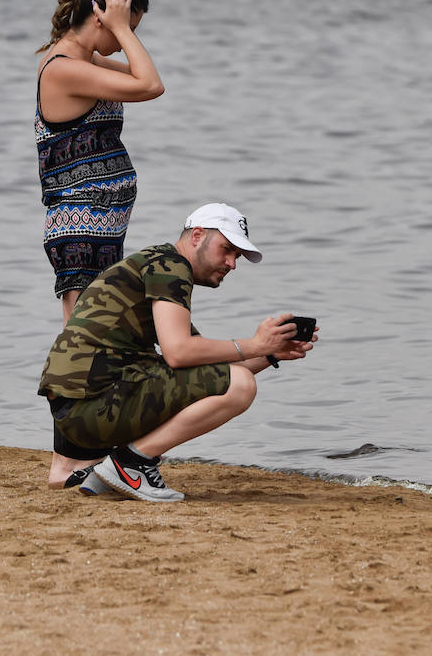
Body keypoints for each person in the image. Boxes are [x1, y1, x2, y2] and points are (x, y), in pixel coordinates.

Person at [38, 203, 318, 500]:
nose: (232, 263)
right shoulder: (171, 266)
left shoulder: (154, 263)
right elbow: (180, 354)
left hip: (73, 411)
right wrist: (255, 344)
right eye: (226, 249)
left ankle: (94, 468)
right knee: (243, 386)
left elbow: (206, 373)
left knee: (232, 380)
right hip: (91, 406)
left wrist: (269, 354)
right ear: (197, 236)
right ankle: (131, 464)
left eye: (237, 256)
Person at [35, 0, 163, 324]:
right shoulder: (63, 68)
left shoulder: (86, 61)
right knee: (82, 333)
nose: (125, 41)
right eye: (127, 29)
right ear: (98, 17)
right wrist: (120, 26)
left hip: (101, 224)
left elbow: (141, 75)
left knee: (99, 331)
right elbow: (151, 85)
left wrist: (119, 27)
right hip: (80, 226)